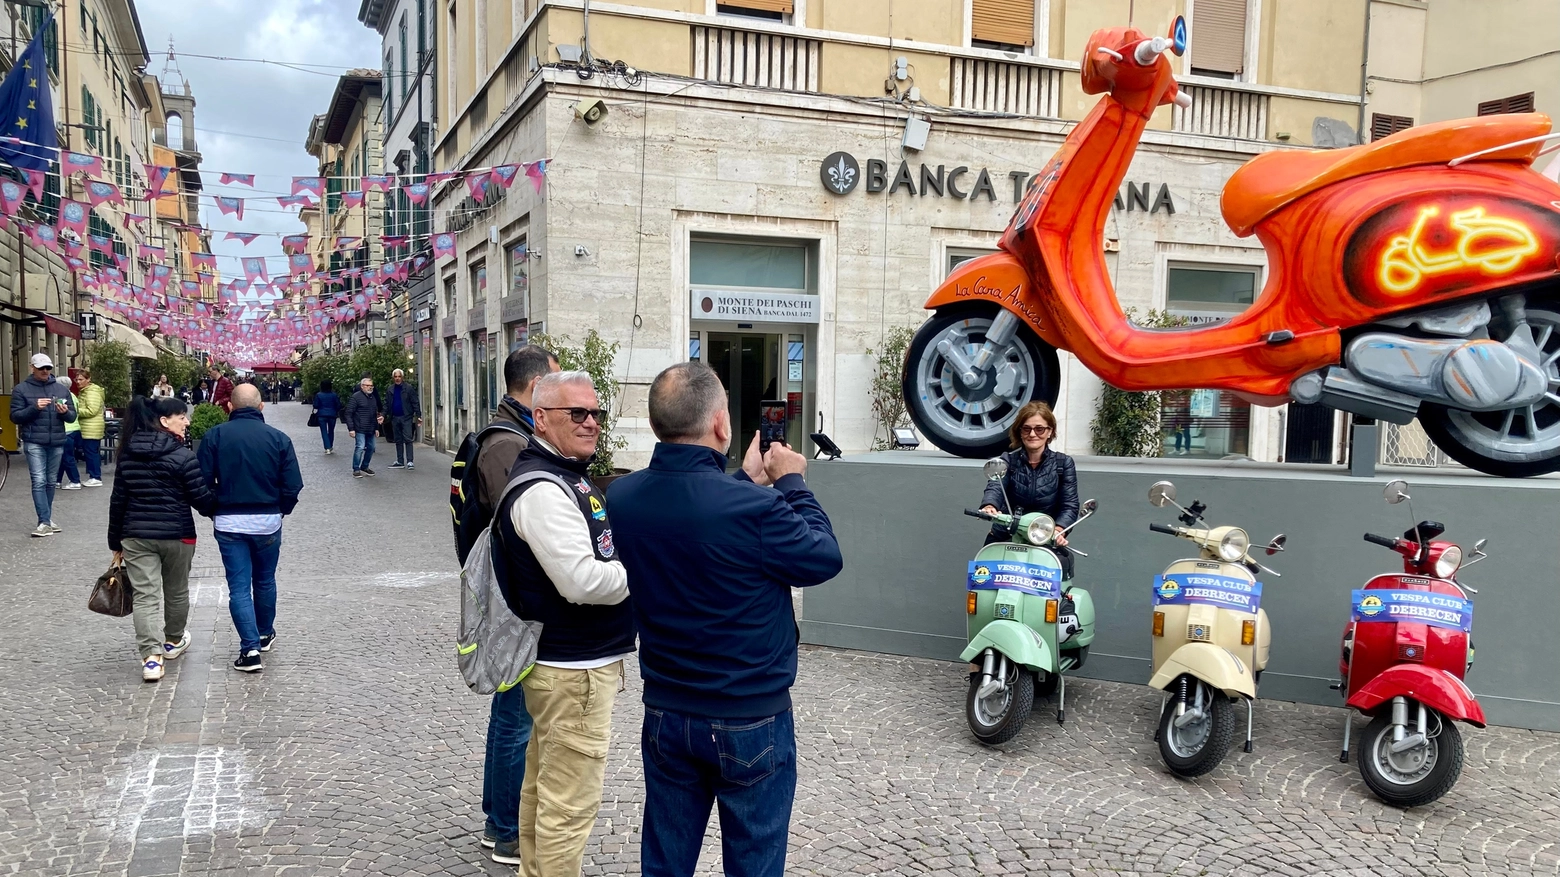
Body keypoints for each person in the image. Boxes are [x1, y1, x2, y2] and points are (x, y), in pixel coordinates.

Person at [608, 362, 843, 877]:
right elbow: (823, 556)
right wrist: (793, 482)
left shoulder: (621, 499)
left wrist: (745, 480)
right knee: (754, 865)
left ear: (655, 425)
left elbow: (694, 514)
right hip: (750, 716)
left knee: (665, 863)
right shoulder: (756, 509)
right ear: (721, 424)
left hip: (667, 711)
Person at [493, 371, 631, 877]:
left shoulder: (563, 472)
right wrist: (643, 572)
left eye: (596, 412)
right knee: (567, 809)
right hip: (574, 671)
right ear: (541, 418)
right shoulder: (544, 489)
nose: (591, 422)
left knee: (543, 792)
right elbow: (582, 582)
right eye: (577, 413)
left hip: (569, 667)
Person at [470, 344, 557, 866]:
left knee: (512, 713)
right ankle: (504, 826)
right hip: (514, 601)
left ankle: (496, 817)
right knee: (515, 716)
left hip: (512, 598)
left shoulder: (514, 434)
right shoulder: (507, 445)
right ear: (533, 387)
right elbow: (526, 526)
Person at [107, 396, 215, 682]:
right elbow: (202, 501)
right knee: (177, 591)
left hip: (136, 535)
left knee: (145, 596)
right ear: (165, 421)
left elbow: (118, 500)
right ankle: (172, 641)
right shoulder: (183, 456)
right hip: (178, 535)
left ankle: (151, 659)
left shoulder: (127, 454)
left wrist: (115, 541)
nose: (187, 422)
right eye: (182, 416)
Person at [197, 384, 303, 673]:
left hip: (230, 522)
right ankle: (265, 632)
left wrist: (212, 510)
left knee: (239, 587)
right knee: (265, 580)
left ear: (229, 407)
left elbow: (200, 482)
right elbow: (293, 485)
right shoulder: (278, 438)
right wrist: (281, 510)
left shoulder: (214, 436)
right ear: (261, 407)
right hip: (267, 520)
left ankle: (250, 649)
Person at [979, 401, 1080, 577]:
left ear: (1050, 431)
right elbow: (996, 486)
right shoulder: (1007, 461)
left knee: (1052, 591)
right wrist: (990, 506)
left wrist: (1057, 530)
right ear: (1019, 431)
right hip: (1006, 534)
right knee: (984, 581)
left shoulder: (1063, 464)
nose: (1033, 434)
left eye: (1039, 429)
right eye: (1026, 429)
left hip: (1044, 538)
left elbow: (1069, 505)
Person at [10, 353, 77, 537]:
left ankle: (46, 519)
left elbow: (72, 416)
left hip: (56, 440)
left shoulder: (61, 389)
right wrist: (34, 408)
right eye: (41, 368)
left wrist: (64, 412)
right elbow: (15, 417)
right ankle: (44, 521)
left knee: (50, 481)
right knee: (39, 480)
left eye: (48, 368)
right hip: (34, 441)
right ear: (32, 367)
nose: (45, 371)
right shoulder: (21, 389)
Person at [343, 375, 383, 477]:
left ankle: (364, 466)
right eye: (368, 385)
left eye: (371, 386)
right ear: (362, 386)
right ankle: (356, 468)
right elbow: (348, 413)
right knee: (360, 447)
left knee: (371, 447)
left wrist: (377, 428)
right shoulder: (356, 397)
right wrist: (351, 429)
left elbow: (375, 413)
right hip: (359, 427)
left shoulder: (372, 398)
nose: (370, 387)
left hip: (370, 427)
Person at [385, 368, 423, 470]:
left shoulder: (408, 388)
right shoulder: (390, 389)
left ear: (402, 377)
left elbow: (415, 402)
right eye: (396, 377)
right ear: (393, 378)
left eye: (399, 376)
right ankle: (400, 461)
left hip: (406, 417)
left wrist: (418, 415)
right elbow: (387, 404)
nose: (397, 378)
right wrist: (383, 415)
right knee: (398, 440)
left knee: (408, 439)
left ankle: (410, 461)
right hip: (395, 417)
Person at [75, 369, 106, 487]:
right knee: (91, 452)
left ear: (88, 380)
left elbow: (92, 411)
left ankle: (95, 477)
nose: (78, 382)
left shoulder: (91, 392)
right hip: (90, 426)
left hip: (91, 427)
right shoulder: (85, 391)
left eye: (81, 379)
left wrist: (76, 411)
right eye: (76, 379)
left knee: (91, 452)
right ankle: (94, 476)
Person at [57, 386, 83, 490]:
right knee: (63, 457)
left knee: (67, 457)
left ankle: (75, 480)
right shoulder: (73, 396)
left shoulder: (61, 397)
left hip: (67, 429)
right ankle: (57, 480)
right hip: (75, 428)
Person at [311, 378, 341, 455]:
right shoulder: (334, 395)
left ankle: (327, 447)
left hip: (321, 414)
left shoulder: (318, 395)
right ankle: (330, 446)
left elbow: (316, 405)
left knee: (323, 431)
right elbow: (338, 405)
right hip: (332, 414)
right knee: (331, 431)